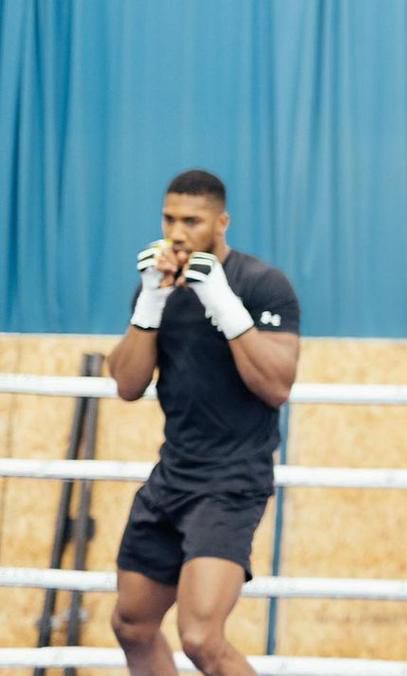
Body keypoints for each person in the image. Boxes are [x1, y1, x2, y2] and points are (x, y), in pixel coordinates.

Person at [107, 169, 300, 675]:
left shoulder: (262, 285)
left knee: (200, 639)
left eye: (191, 220)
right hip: (172, 477)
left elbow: (277, 385)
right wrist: (150, 302)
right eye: (170, 218)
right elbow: (127, 385)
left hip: (231, 482)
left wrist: (224, 304)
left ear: (221, 222)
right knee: (132, 624)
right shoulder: (157, 287)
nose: (176, 232)